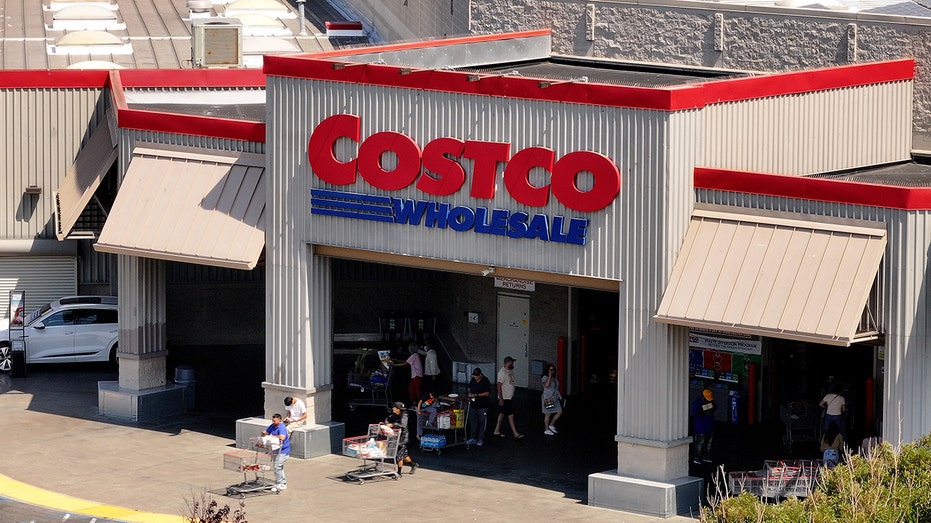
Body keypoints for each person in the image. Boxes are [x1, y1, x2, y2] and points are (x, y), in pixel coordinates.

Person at [384, 401, 419, 475]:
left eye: (394, 407)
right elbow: (388, 419)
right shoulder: (395, 414)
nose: (393, 408)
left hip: (403, 439)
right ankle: (413, 465)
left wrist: (392, 425)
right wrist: (386, 423)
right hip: (397, 436)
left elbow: (402, 425)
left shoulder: (404, 415)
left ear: (398, 409)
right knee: (404, 455)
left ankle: (399, 473)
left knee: (399, 455)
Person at [493, 356, 524, 439]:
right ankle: (515, 433)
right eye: (511, 362)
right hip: (505, 397)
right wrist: (501, 398)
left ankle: (497, 430)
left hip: (508, 397)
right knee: (510, 415)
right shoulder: (502, 372)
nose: (513, 363)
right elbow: (499, 386)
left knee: (502, 414)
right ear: (507, 362)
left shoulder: (509, 371)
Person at [261, 413, 290, 490]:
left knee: (277, 467)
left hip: (283, 451)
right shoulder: (272, 426)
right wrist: (263, 434)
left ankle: (281, 483)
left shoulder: (282, 427)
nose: (273, 422)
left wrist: (271, 436)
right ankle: (280, 482)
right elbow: (265, 433)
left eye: (275, 421)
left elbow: (282, 437)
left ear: (279, 420)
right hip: (275, 450)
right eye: (272, 420)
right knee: (278, 467)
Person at [466, 367, 492, 445]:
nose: (475, 377)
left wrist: (476, 395)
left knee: (482, 422)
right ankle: (473, 437)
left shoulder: (485, 381)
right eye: (474, 375)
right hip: (473, 405)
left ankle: (480, 438)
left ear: (480, 375)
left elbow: (487, 393)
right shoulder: (473, 379)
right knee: (472, 421)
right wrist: (470, 392)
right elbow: (469, 387)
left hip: (482, 405)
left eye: (477, 376)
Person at [690, 388, 717, 464]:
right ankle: (697, 458)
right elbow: (696, 414)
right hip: (701, 428)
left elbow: (715, 407)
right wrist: (706, 411)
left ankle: (706, 457)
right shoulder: (697, 403)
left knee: (708, 444)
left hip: (709, 426)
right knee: (699, 444)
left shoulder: (711, 401)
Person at [541, 363, 563, 436]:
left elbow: (556, 388)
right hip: (548, 398)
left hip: (554, 398)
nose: (552, 371)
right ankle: (546, 429)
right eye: (551, 370)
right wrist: (549, 376)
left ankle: (551, 424)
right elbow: (546, 385)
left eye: (553, 370)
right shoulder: (545, 377)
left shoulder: (554, 378)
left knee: (559, 411)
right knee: (548, 413)